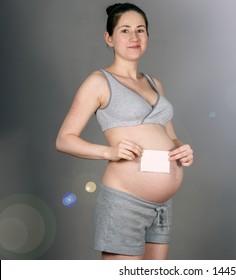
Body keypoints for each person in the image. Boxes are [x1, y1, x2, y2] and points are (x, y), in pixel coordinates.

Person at [56, 2, 193, 260]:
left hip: (162, 207)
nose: (134, 37)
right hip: (125, 202)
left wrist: (181, 150)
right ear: (109, 38)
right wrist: (110, 151)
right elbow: (64, 140)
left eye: (140, 30)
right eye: (125, 30)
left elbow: (170, 136)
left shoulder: (155, 84)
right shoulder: (99, 82)